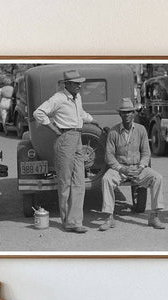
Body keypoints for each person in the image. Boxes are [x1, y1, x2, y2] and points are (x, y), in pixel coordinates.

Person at [33, 69, 97, 233]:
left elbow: (80, 113)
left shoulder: (77, 97)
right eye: (76, 83)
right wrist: (53, 128)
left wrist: (92, 120)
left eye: (80, 83)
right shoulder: (59, 98)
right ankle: (68, 222)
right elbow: (38, 113)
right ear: (67, 84)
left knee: (79, 181)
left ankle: (76, 221)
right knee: (65, 181)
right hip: (65, 138)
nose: (79, 86)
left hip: (77, 137)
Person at [99, 97, 166, 231]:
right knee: (106, 179)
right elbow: (109, 155)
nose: (127, 115)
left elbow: (146, 153)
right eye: (124, 112)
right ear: (120, 114)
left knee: (157, 178)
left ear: (134, 113)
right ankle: (109, 217)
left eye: (129, 112)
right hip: (120, 168)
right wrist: (121, 168)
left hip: (137, 168)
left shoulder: (141, 130)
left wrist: (141, 167)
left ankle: (154, 216)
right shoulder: (113, 132)